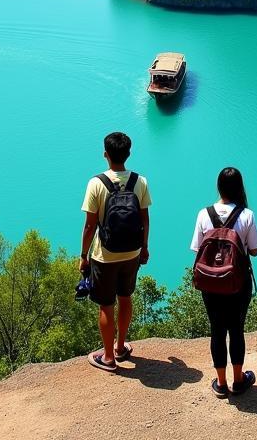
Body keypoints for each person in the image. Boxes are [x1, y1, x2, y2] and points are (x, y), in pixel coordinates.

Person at [79, 131, 152, 371]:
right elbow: (145, 218)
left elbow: (90, 225)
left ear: (105, 155)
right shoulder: (139, 182)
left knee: (106, 305)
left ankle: (108, 357)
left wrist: (83, 256)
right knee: (125, 297)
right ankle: (121, 347)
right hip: (131, 252)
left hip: (104, 255)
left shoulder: (96, 183)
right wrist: (144, 247)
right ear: (128, 153)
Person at [190, 167, 257, 397]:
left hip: (210, 283)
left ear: (218, 187)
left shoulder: (203, 214)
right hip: (238, 283)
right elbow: (254, 251)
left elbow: (197, 250)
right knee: (236, 329)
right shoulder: (246, 215)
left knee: (217, 330)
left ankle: (221, 383)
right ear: (240, 188)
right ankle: (238, 380)